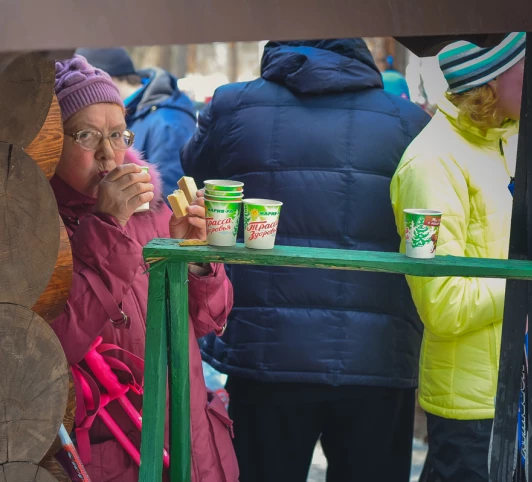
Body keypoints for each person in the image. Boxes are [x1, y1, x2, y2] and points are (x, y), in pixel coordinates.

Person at [182, 38, 430, 482]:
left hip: (265, 350)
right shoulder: (409, 120)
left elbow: (195, 181)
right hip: (379, 355)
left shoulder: (233, 106)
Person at [391, 33, 532, 481]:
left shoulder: (509, 141)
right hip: (475, 407)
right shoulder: (429, 164)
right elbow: (443, 303)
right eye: (527, 64)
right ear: (488, 80)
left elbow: (501, 244)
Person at [50, 55, 238, 481]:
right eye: (86, 135)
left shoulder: (151, 211)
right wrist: (106, 226)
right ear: (51, 144)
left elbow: (210, 320)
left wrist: (197, 260)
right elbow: (60, 342)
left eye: (117, 135)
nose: (107, 154)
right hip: (120, 452)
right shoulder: (41, 232)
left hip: (193, 442)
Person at [77, 48, 197, 197]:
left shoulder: (168, 123)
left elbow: (171, 198)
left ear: (106, 79)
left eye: (88, 87)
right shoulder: (130, 111)